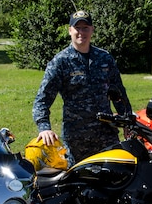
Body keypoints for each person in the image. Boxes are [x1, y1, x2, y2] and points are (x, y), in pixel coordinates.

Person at [32, 10, 132, 164]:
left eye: (85, 28)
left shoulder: (104, 58)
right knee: (79, 184)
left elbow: (118, 94)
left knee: (114, 180)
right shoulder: (61, 62)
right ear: (70, 30)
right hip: (77, 139)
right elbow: (42, 99)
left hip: (106, 136)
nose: (81, 32)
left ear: (92, 30)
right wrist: (44, 127)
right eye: (77, 28)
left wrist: (127, 119)